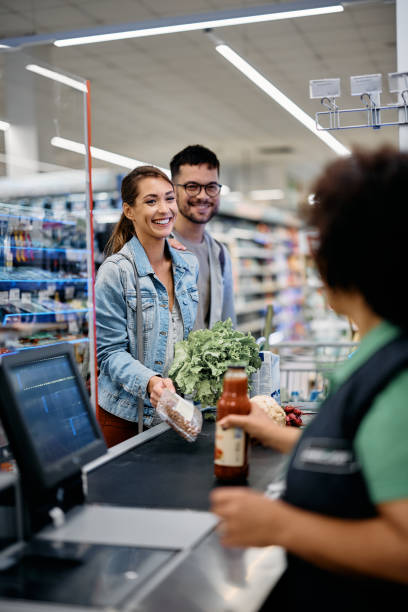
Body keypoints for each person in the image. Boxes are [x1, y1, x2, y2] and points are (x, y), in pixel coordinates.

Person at [210, 147, 408, 610]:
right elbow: (357, 460)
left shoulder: (397, 377)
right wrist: (276, 434)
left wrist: (280, 525)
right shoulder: (379, 355)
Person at [95, 166, 199, 447]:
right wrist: (150, 381)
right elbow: (108, 352)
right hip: (124, 417)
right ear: (129, 210)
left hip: (173, 412)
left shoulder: (189, 265)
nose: (164, 209)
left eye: (169, 198)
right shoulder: (115, 272)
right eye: (151, 201)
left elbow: (185, 338)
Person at [169, 144, 236, 330]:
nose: (203, 195)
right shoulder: (156, 248)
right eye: (192, 187)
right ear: (173, 190)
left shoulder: (220, 254)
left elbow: (228, 326)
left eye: (211, 187)